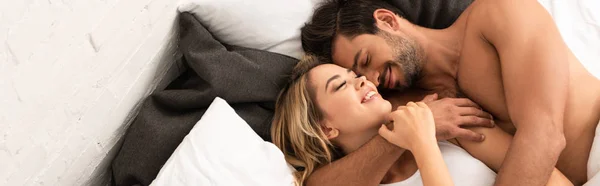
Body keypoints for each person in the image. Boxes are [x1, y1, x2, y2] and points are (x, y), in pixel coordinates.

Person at [300, 0, 600, 185]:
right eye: (358, 77)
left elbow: (545, 135)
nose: (372, 80)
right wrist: (399, 139)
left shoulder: (500, 13)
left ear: (388, 21)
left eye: (365, 61)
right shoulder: (415, 104)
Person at [271, 55, 572, 186]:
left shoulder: (447, 120)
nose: (362, 81)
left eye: (355, 76)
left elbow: (546, 175)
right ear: (326, 129)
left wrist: (424, 129)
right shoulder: (429, 124)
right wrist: (421, 138)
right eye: (340, 86)